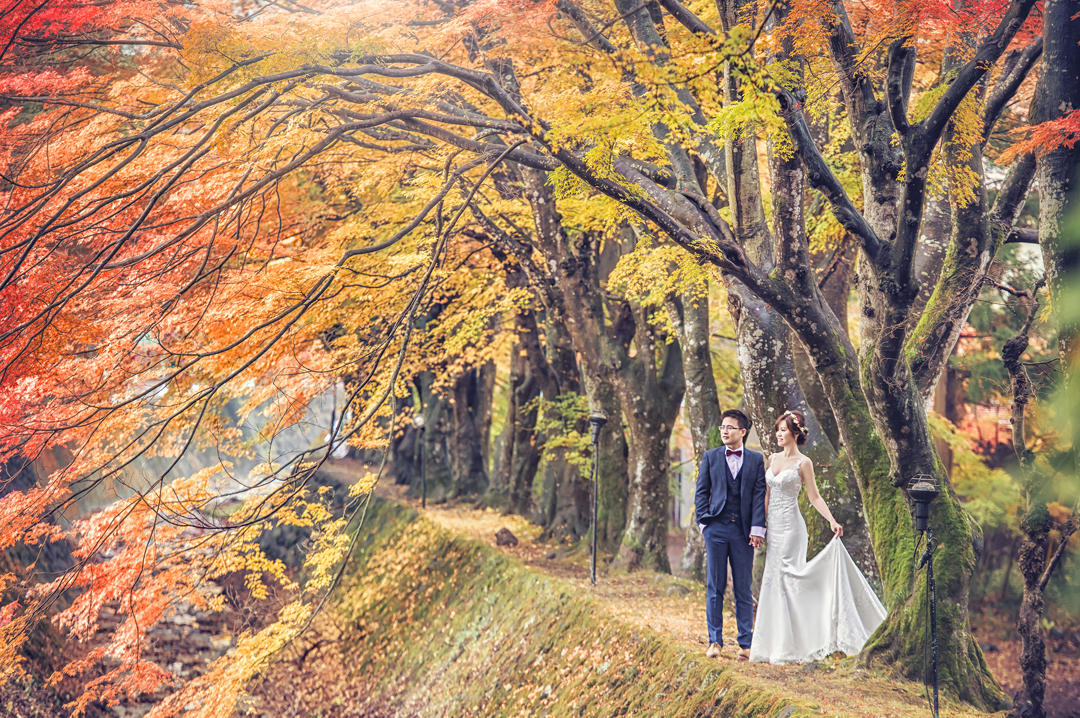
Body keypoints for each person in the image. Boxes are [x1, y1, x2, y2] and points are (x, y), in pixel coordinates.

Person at [749, 409, 887, 664]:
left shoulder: (804, 463)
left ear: (795, 433)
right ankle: (770, 645)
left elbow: (814, 497)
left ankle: (797, 643)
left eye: (783, 430)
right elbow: (766, 496)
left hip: (792, 528)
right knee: (772, 580)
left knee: (789, 578)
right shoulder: (772, 459)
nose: (779, 434)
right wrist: (760, 525)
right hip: (774, 527)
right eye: (777, 430)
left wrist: (832, 520)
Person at [694, 409, 767, 661]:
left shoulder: (756, 461)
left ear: (743, 432)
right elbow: (701, 492)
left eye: (730, 427)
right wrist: (704, 523)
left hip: (743, 532)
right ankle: (715, 641)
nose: (724, 431)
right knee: (715, 585)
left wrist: (758, 528)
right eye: (722, 427)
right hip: (715, 528)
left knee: (743, 588)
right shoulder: (711, 457)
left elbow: (759, 496)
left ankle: (745, 643)